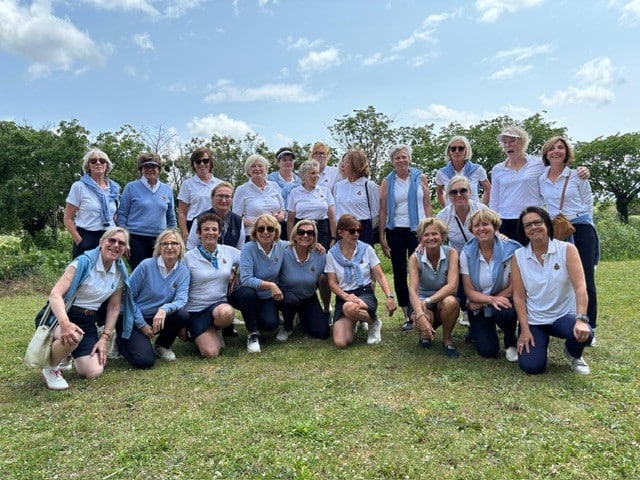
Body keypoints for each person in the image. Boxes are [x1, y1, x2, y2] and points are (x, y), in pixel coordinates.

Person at [40, 227, 135, 390]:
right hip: (61, 315)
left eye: (121, 243)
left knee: (93, 371)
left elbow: (113, 307)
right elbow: (55, 295)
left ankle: (67, 353)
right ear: (101, 242)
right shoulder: (82, 263)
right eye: (112, 240)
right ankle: (50, 368)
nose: (116, 245)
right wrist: (65, 323)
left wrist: (104, 338)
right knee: (73, 335)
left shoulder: (119, 272)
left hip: (87, 320)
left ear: (125, 249)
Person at [512, 206, 593, 375]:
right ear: (524, 231)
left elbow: (580, 287)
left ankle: (573, 354)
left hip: (562, 316)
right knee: (532, 367)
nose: (534, 227)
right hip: (535, 320)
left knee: (586, 333)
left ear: (547, 224)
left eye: (537, 222)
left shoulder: (567, 249)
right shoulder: (518, 256)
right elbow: (518, 297)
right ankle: (541, 345)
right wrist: (525, 330)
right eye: (528, 225)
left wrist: (581, 319)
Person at [539, 136, 599, 336]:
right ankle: (562, 317)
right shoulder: (541, 178)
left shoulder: (577, 175)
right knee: (558, 276)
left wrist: (585, 223)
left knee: (585, 277)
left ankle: (589, 324)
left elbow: (588, 202)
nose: (556, 151)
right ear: (546, 153)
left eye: (560, 148)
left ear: (566, 152)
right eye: (552, 148)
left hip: (580, 227)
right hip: (557, 229)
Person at [490, 126, 589, 244]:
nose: (508, 145)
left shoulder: (539, 164)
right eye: (505, 142)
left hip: (532, 220)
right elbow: (494, 200)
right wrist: (494, 225)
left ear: (523, 142)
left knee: (536, 254)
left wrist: (583, 170)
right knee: (509, 255)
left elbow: (559, 171)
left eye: (512, 141)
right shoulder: (497, 169)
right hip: (505, 221)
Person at [115, 229, 190, 367]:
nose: (169, 247)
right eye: (165, 243)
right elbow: (127, 297)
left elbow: (181, 300)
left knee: (182, 315)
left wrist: (164, 309)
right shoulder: (146, 265)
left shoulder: (183, 271)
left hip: (156, 317)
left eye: (174, 243)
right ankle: (119, 343)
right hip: (133, 317)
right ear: (159, 247)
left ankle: (162, 345)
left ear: (181, 247)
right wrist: (141, 324)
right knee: (145, 362)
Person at [379, 144, 433, 331]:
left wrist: (430, 228)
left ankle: (422, 310)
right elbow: (383, 210)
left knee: (419, 270)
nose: (401, 160)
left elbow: (427, 205)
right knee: (400, 272)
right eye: (397, 158)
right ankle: (406, 315)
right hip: (396, 230)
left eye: (404, 157)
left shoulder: (420, 177)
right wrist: (382, 235)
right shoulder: (387, 181)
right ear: (392, 162)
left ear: (409, 158)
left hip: (417, 230)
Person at [325, 214, 396, 348]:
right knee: (341, 342)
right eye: (352, 231)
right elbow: (332, 283)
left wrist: (389, 296)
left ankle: (373, 323)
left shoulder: (367, 249)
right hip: (344, 295)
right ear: (340, 232)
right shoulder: (332, 254)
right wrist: (346, 296)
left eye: (359, 230)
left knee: (349, 307)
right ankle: (354, 319)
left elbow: (380, 276)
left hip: (365, 293)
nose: (356, 234)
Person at [460, 209, 521, 361]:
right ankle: (479, 330)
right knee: (488, 351)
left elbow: (513, 287)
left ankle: (510, 340)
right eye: (476, 226)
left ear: (495, 227)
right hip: (479, 304)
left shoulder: (511, 249)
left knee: (506, 312)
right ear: (472, 230)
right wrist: (490, 300)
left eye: (485, 224)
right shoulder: (466, 252)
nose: (481, 229)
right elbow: (469, 290)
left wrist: (490, 301)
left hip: (502, 300)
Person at [183, 213, 240, 358]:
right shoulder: (188, 257)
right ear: (199, 233)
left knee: (227, 312)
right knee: (211, 353)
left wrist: (235, 271)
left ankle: (217, 330)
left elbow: (250, 260)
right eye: (206, 229)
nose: (211, 233)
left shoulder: (228, 251)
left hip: (217, 306)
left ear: (219, 233)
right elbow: (179, 286)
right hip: (195, 310)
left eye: (214, 229)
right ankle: (192, 331)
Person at [228, 214, 288, 353]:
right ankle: (252, 335)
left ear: (276, 232)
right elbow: (246, 279)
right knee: (248, 295)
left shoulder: (281, 246)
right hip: (245, 291)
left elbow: (299, 243)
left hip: (266, 295)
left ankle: (256, 317)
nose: (265, 232)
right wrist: (271, 285)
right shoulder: (248, 248)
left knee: (270, 324)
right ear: (255, 231)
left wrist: (317, 246)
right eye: (261, 229)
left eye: (270, 229)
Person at [286, 159, 336, 316]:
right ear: (303, 175)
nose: (316, 176)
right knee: (302, 268)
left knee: (324, 273)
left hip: (322, 230)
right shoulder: (295, 193)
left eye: (318, 173)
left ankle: (326, 308)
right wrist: (291, 239)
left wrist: (334, 238)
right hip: (302, 231)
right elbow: (290, 220)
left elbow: (332, 217)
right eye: (312, 173)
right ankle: (300, 308)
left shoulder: (325, 191)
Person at [408, 218, 460, 358]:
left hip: (441, 299)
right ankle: (425, 333)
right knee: (419, 319)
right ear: (420, 239)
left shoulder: (451, 253)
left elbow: (452, 286)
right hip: (422, 300)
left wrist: (429, 300)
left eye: (435, 234)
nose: (431, 238)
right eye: (426, 235)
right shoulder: (415, 258)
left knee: (451, 302)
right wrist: (420, 314)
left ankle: (447, 339)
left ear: (442, 236)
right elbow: (413, 290)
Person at [117, 152, 177, 270]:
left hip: (160, 240)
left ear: (159, 169)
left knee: (159, 273)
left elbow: (171, 216)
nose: (150, 170)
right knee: (140, 273)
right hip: (136, 239)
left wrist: (173, 236)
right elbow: (122, 214)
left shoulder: (167, 189)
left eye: (153, 166)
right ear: (141, 170)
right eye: (146, 167)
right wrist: (124, 238)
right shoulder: (131, 187)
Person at [276, 220, 330, 341]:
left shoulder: (320, 255)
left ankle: (302, 317)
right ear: (295, 235)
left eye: (310, 233)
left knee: (322, 332)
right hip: (285, 298)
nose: (305, 235)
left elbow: (330, 276)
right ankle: (287, 326)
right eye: (301, 232)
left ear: (314, 237)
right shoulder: (283, 251)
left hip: (308, 297)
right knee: (291, 302)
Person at [63, 148, 120, 258]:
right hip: (87, 237)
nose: (98, 163)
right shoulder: (79, 187)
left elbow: (115, 216)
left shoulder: (114, 189)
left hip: (109, 238)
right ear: (88, 166)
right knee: (84, 269)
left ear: (106, 165)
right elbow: (67, 218)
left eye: (102, 160)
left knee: (108, 268)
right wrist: (79, 241)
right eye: (93, 161)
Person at [333, 149, 380, 247]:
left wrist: (364, 229)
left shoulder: (369, 185)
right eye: (342, 161)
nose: (342, 165)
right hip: (342, 230)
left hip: (362, 231)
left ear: (355, 164)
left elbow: (375, 213)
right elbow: (336, 211)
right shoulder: (338, 186)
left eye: (346, 162)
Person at [232, 154, 285, 237]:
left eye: (260, 166)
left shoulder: (274, 186)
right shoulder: (241, 189)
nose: (257, 169)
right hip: (253, 234)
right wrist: (254, 223)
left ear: (265, 169)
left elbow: (283, 210)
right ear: (248, 170)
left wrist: (280, 216)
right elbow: (235, 218)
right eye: (253, 166)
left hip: (275, 233)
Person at [177, 147, 221, 241]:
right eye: (198, 161)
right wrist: (185, 233)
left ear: (210, 163)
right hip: (193, 227)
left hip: (214, 227)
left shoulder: (220, 184)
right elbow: (182, 212)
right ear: (193, 164)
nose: (202, 164)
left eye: (205, 161)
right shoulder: (187, 184)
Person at [186, 182, 245, 250]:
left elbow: (240, 249)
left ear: (232, 199)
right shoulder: (200, 220)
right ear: (212, 198)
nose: (223, 200)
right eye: (220, 196)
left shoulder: (238, 221)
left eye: (227, 196)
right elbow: (191, 247)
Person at [436, 136, 491, 207]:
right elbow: (439, 193)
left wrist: (481, 207)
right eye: (453, 149)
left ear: (466, 151)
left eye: (461, 148)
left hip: (474, 212)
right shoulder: (442, 173)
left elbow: (488, 189)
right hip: (452, 213)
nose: (457, 151)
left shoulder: (477, 169)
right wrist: (447, 207)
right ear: (449, 152)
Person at [268, 147, 301, 229]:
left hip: (296, 222)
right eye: (284, 160)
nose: (288, 162)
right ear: (278, 163)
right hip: (276, 221)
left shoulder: (299, 182)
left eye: (290, 160)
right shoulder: (269, 181)